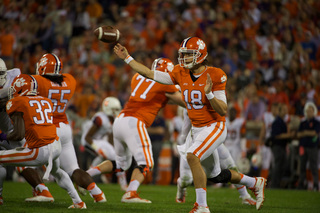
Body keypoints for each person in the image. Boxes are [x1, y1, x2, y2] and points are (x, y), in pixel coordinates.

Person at [114, 37, 266, 212]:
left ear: (200, 55)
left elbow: (223, 110)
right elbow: (149, 73)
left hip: (215, 126)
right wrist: (127, 58)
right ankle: (255, 182)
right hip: (198, 128)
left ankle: (202, 206)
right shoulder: (180, 72)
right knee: (215, 175)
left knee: (192, 156)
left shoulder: (216, 74)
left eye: (188, 55)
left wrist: (209, 95)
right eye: (183, 54)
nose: (184, 58)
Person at [86, 57, 183, 203]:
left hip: (119, 121)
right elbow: (184, 100)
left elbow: (155, 95)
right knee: (147, 163)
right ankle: (130, 193)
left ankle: (85, 176)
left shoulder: (137, 78)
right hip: (134, 122)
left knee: (121, 164)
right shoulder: (166, 84)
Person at [0, 74, 86, 209]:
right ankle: (79, 202)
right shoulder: (46, 100)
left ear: (21, 89)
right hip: (55, 145)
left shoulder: (16, 103)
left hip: (39, 150)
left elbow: (18, 134)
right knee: (57, 171)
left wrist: (2, 137)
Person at [30, 53, 106, 202]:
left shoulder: (38, 81)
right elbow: (59, 77)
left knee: (41, 164)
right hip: (65, 127)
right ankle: (97, 193)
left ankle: (42, 191)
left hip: (49, 129)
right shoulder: (69, 80)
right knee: (73, 169)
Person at [174, 108, 256, 206]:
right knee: (186, 180)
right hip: (194, 142)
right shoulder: (189, 101)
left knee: (231, 166)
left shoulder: (212, 97)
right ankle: (181, 187)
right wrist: (184, 145)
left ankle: (245, 196)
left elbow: (221, 110)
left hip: (212, 138)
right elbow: (185, 130)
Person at [0, 58, 54, 204]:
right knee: (21, 162)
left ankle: (42, 189)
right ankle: (42, 189)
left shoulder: (15, 81)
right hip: (18, 132)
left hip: (13, 132)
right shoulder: (13, 78)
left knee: (17, 161)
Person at [82, 96, 128, 191]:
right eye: (114, 109)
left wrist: (114, 148)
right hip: (89, 141)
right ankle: (123, 184)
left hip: (100, 141)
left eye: (117, 109)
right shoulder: (100, 119)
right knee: (116, 158)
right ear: (108, 109)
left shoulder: (112, 119)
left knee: (111, 157)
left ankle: (84, 178)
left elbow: (111, 138)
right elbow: (87, 137)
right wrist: (97, 148)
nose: (116, 111)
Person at [297, 102, 320, 191]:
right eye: (307, 111)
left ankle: (315, 184)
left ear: (313, 112)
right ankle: (301, 184)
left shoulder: (316, 122)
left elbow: (315, 133)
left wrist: (305, 133)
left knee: (313, 166)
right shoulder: (303, 122)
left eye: (310, 111)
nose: (309, 112)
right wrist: (307, 133)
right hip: (303, 146)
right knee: (302, 166)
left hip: (312, 147)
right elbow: (299, 134)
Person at [270, 104, 293, 188]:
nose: (285, 111)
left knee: (282, 165)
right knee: (278, 166)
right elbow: (276, 135)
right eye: (283, 110)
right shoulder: (277, 122)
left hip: (282, 146)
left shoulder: (282, 121)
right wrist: (288, 135)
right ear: (279, 111)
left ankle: (277, 184)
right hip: (277, 146)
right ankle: (274, 185)